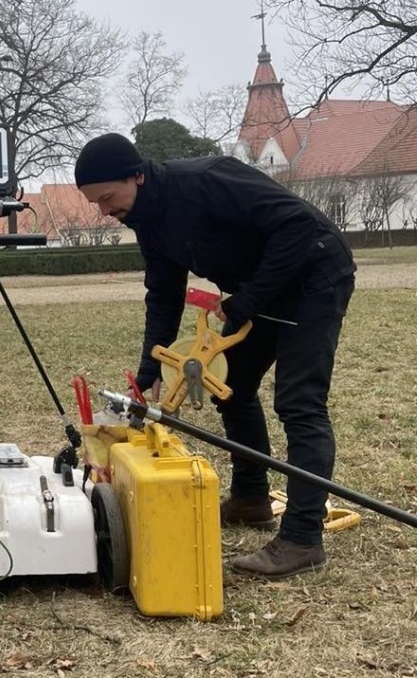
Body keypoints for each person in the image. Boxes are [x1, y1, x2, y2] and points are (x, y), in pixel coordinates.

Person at [75, 133, 355, 580]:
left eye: (107, 198)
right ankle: (251, 498)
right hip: (262, 292)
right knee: (231, 387)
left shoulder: (207, 180)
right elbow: (163, 294)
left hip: (314, 276)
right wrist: (151, 369)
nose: (105, 211)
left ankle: (303, 538)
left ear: (138, 175)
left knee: (299, 403)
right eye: (97, 204)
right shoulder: (148, 220)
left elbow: (298, 226)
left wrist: (247, 300)